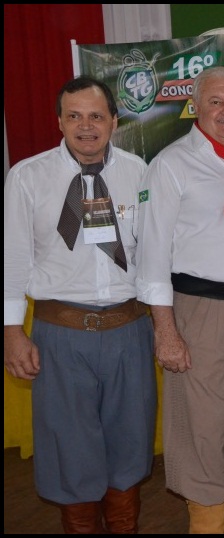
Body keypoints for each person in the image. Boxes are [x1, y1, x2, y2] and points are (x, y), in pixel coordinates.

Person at [3, 76, 156, 534]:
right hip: (60, 336)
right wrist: (12, 332)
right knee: (70, 449)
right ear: (60, 122)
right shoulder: (27, 177)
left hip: (129, 331)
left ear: (114, 121)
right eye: (74, 116)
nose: (86, 126)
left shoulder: (140, 173)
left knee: (130, 445)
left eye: (95, 116)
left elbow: (153, 252)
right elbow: (12, 258)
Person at [135, 66, 224, 534]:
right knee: (202, 431)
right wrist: (166, 332)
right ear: (195, 107)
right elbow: (151, 256)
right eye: (216, 102)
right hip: (202, 314)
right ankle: (208, 526)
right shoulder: (171, 165)